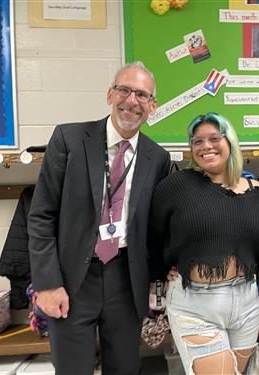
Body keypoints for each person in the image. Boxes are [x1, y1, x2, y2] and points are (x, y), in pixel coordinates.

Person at [28, 62, 170, 375]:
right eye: (125, 90)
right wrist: (48, 284)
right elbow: (41, 215)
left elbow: (157, 227)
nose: (132, 101)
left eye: (142, 95)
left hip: (126, 278)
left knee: (124, 368)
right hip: (72, 279)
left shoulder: (157, 158)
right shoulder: (69, 139)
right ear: (110, 94)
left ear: (152, 106)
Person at [149, 113, 259, 375]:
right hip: (196, 304)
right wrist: (163, 271)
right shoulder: (177, 186)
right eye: (197, 141)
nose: (206, 146)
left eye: (214, 138)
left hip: (247, 303)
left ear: (231, 142)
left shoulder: (257, 190)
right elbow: (152, 235)